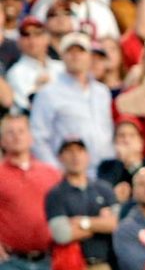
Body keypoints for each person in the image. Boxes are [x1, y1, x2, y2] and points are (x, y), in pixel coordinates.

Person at [44, 137, 119, 270]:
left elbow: (115, 225)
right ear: (61, 157)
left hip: (100, 266)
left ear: (87, 155)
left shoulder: (103, 188)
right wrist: (99, 223)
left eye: (79, 151)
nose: (75, 156)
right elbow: (62, 234)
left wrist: (82, 222)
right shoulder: (56, 194)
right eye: (69, 151)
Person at [28, 33, 113, 170]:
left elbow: (107, 130)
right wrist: (56, 170)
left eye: (81, 51)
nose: (76, 56)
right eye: (70, 51)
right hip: (68, 172)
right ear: (62, 56)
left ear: (89, 56)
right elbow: (37, 138)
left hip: (104, 171)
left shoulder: (102, 92)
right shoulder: (48, 93)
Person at [0, 113, 59, 270]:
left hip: (48, 260)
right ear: (2, 141)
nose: (16, 136)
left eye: (21, 131)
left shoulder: (51, 173)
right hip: (11, 262)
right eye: (10, 133)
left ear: (31, 137)